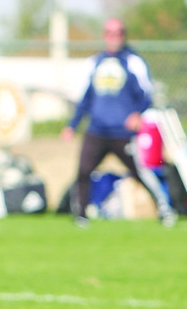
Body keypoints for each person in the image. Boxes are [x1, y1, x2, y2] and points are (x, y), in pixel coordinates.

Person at [61, 18, 175, 227]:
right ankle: (81, 215)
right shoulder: (94, 62)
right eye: (110, 33)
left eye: (118, 32)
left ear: (124, 35)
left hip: (122, 132)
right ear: (104, 35)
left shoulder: (133, 61)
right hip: (96, 130)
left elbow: (147, 93)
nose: (114, 37)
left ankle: (165, 209)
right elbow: (85, 98)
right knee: (84, 171)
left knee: (140, 173)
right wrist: (72, 125)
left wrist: (138, 113)